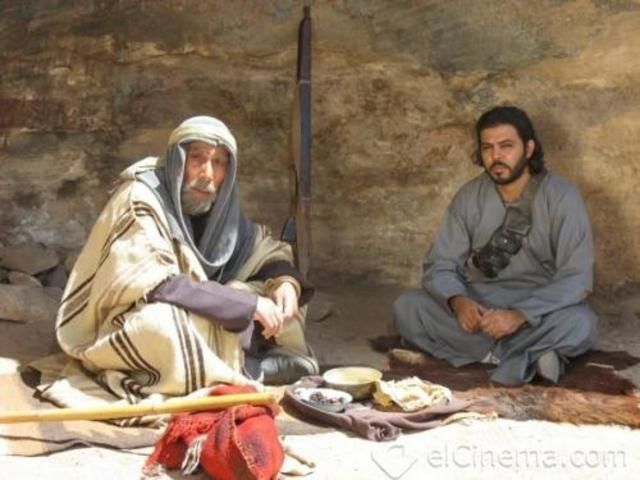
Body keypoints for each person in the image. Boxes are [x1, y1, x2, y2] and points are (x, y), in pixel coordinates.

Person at [51, 116, 318, 407]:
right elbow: (160, 286)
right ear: (177, 160)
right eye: (197, 158)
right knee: (160, 325)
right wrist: (246, 305)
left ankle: (231, 360)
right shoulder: (139, 198)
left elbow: (263, 251)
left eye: (218, 163)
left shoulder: (216, 204)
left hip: (197, 304)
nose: (207, 174)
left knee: (278, 297)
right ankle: (250, 368)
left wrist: (285, 282)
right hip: (135, 311)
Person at [393, 106, 597, 385]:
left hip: (538, 307)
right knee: (408, 307)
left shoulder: (562, 197)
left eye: (506, 146)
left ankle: (485, 354)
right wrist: (458, 301)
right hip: (482, 307)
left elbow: (577, 278)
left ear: (528, 148)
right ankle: (528, 357)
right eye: (487, 148)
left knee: (581, 322)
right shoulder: (468, 197)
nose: (496, 156)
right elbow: (440, 263)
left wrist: (519, 315)